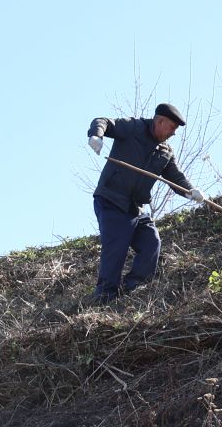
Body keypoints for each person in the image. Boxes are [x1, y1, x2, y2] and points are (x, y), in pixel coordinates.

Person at [86, 103, 207, 303]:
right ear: (160, 121)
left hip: (135, 208)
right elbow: (103, 121)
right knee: (117, 245)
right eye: (172, 128)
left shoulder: (165, 151)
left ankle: (133, 286)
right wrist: (96, 135)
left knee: (151, 242)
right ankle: (105, 296)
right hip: (111, 199)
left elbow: (176, 178)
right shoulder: (133, 128)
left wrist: (190, 191)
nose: (173, 134)